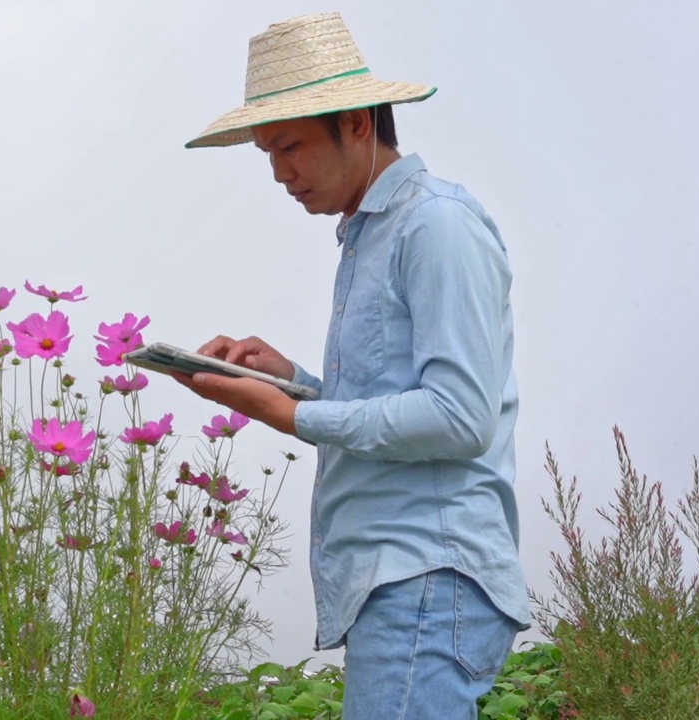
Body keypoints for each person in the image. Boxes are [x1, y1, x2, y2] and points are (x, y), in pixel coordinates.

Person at [174, 12, 533, 719]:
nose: (279, 173)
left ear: (360, 123)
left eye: (289, 146)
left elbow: (460, 418)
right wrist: (292, 381)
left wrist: (301, 414)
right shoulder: (370, 235)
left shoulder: (438, 225)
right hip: (404, 582)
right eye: (265, 153)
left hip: (427, 573)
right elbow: (399, 400)